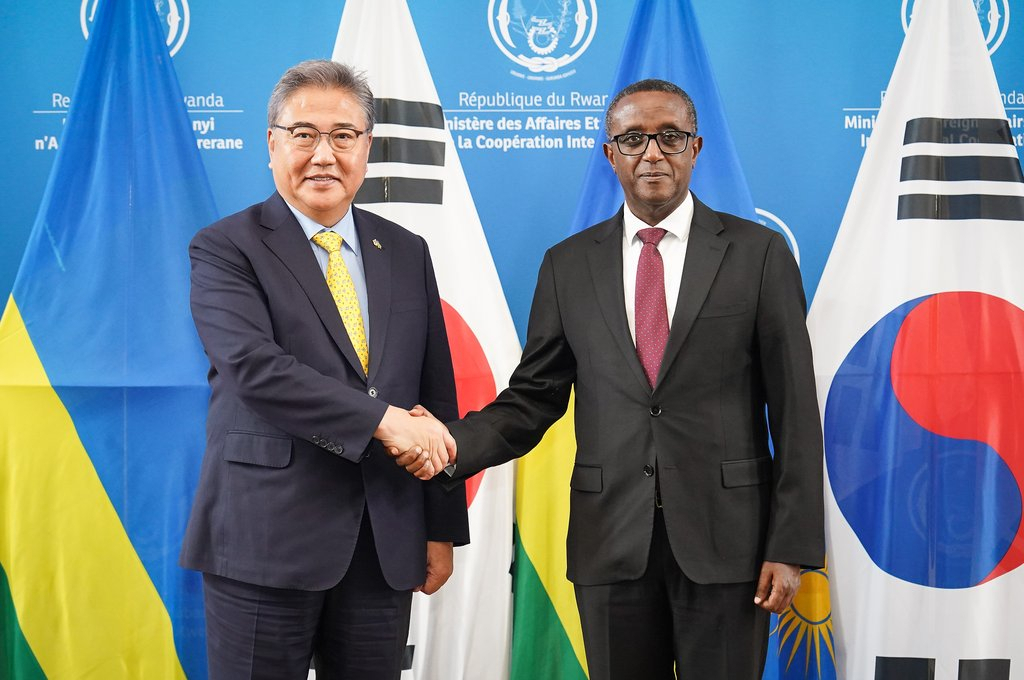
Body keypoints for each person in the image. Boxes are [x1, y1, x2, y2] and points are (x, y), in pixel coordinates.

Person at [395, 78, 825, 679]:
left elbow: (796, 412)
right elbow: (534, 397)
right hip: (610, 543)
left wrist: (792, 544)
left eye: (669, 137)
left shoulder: (758, 254)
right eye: (632, 139)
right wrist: (449, 445)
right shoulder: (568, 265)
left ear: (696, 148)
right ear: (609, 154)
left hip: (731, 545)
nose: (652, 153)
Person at [179, 59, 468, 680]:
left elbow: (434, 396)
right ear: (272, 143)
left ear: (367, 146)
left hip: (383, 541)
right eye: (304, 133)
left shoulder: (406, 251)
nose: (323, 154)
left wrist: (440, 526)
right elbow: (255, 370)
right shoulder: (225, 247)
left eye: (343, 135)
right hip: (263, 539)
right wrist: (384, 422)